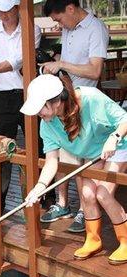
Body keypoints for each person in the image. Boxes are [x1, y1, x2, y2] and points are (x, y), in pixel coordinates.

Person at [22, 74, 127, 265]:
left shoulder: (90, 98)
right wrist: (40, 186)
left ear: (55, 102)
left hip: (119, 145)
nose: (39, 115)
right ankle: (93, 240)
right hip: (94, 152)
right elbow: (52, 161)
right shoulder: (47, 125)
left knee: (103, 193)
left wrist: (115, 137)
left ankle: (125, 241)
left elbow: (124, 119)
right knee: (87, 194)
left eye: (40, 109)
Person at [40, 0, 109, 232]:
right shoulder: (68, 29)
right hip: (64, 99)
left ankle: (83, 210)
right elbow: (66, 64)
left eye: (58, 19)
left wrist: (62, 63)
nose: (58, 24)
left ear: (70, 8)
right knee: (63, 152)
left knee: (84, 158)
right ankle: (62, 204)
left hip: (85, 102)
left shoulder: (95, 29)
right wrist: (54, 64)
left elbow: (95, 70)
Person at [0, 0, 41, 214]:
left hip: (30, 95)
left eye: (7, 11)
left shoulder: (33, 29)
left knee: (39, 148)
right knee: (2, 151)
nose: (2, 15)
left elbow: (19, 60)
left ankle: (44, 200)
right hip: (2, 98)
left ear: (17, 9)